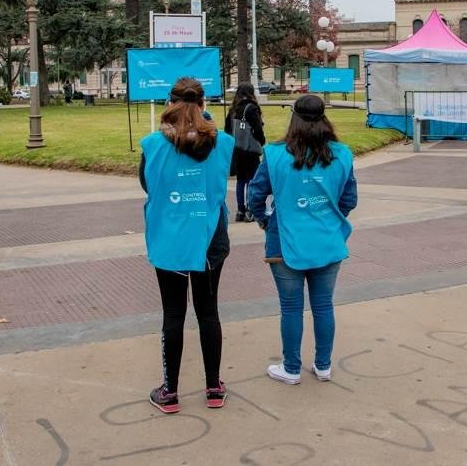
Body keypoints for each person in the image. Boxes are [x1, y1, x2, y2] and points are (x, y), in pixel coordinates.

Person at [139, 77, 234, 413]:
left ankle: (171, 392)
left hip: (170, 237)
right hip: (210, 238)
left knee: (173, 314)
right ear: (203, 103)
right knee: (208, 312)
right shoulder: (223, 143)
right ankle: (213, 388)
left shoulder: (153, 144)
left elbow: (147, 185)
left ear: (170, 102)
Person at [248, 95, 358, 385]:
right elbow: (349, 199)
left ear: (293, 116)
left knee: (291, 308)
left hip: (285, 241)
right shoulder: (342, 154)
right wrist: (330, 216)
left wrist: (265, 220)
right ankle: (323, 366)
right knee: (324, 305)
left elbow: (255, 195)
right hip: (328, 240)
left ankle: (291, 368)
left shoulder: (274, 155)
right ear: (325, 116)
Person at [224, 83, 266, 221]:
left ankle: (240, 210)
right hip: (250, 149)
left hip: (236, 149)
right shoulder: (252, 108)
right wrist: (261, 141)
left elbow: (227, 129)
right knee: (251, 180)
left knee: (240, 180)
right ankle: (250, 209)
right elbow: (258, 129)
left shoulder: (233, 109)